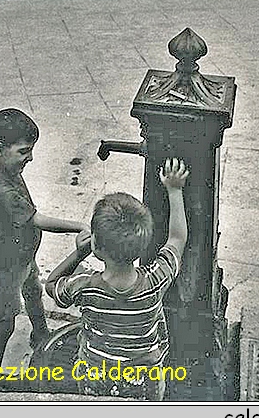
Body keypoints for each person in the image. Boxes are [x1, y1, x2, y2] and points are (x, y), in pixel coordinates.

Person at [45, 158, 190, 400]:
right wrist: (175, 190)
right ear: (142, 249)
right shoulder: (155, 281)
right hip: (145, 383)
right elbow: (177, 238)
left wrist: (79, 253)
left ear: (97, 248)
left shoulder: (83, 286)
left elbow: (51, 285)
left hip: (96, 378)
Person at [0, 108, 87, 367]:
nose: (30, 158)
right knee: (5, 324)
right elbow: (36, 219)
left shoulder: (8, 171)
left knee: (33, 293)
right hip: (4, 266)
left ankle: (40, 333)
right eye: (23, 151)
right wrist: (80, 226)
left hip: (23, 256)